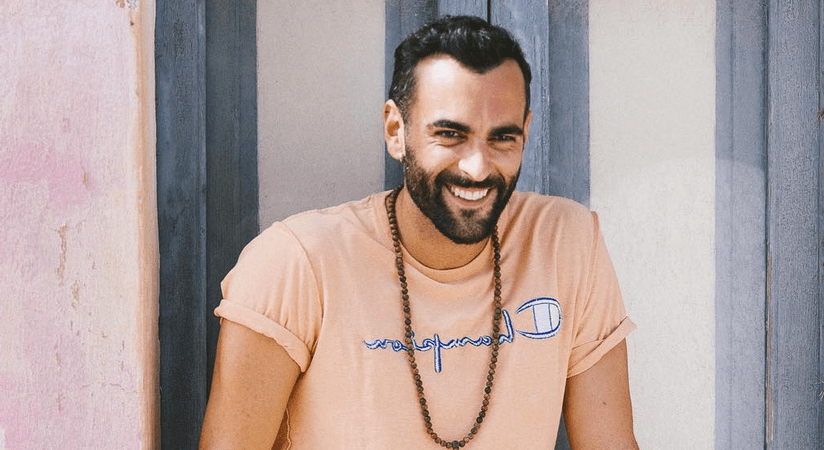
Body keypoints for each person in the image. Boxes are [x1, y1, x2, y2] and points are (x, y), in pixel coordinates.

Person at [199, 15, 639, 450]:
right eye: (450, 134)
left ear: (525, 132)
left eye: (502, 138)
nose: (477, 167)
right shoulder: (295, 264)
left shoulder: (567, 243)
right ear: (396, 131)